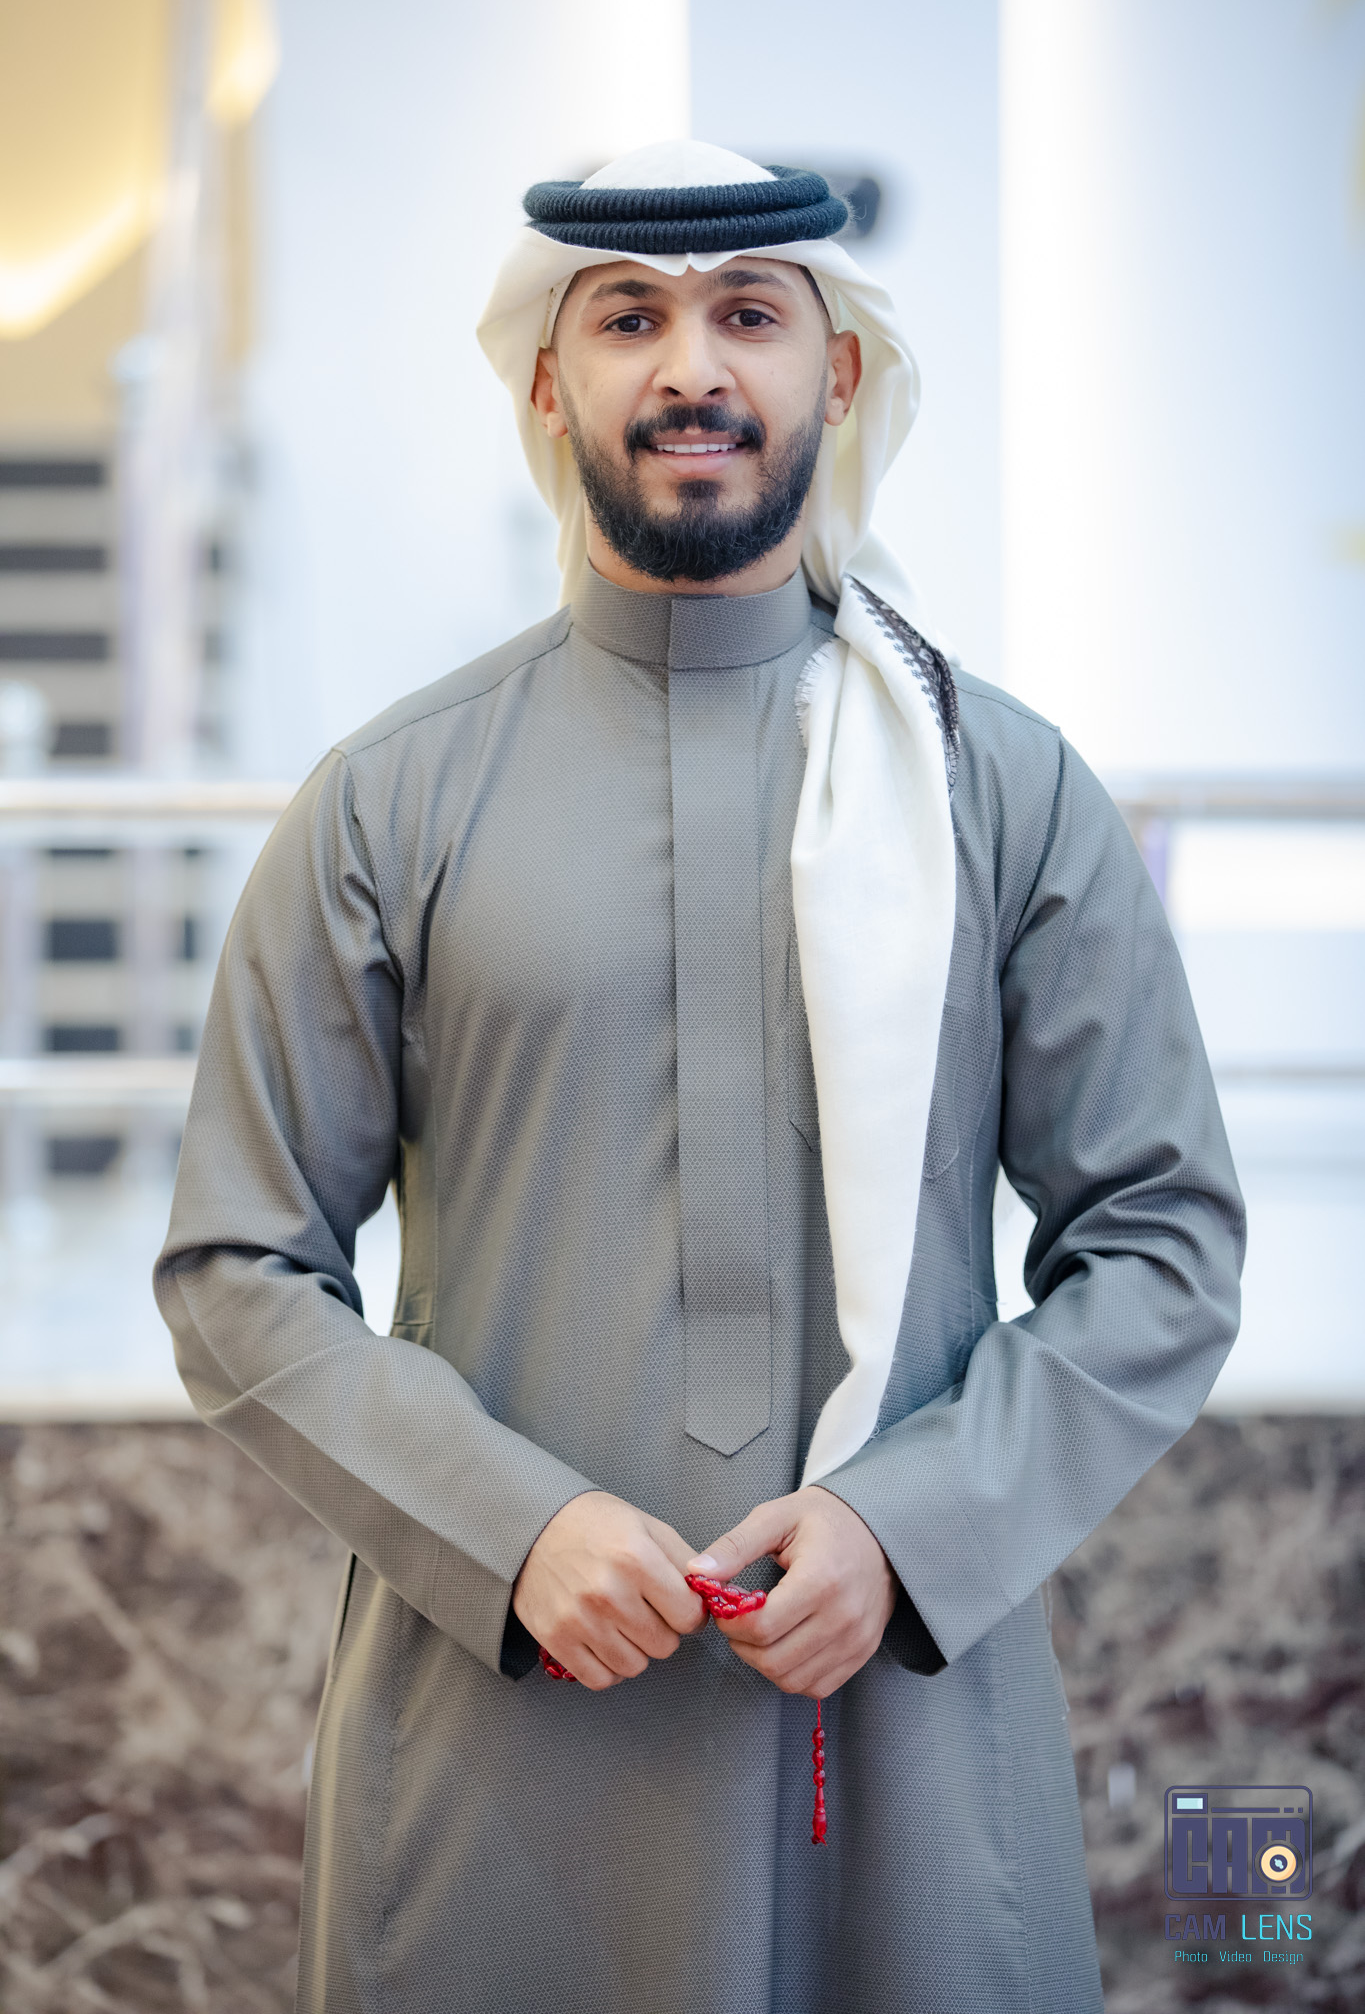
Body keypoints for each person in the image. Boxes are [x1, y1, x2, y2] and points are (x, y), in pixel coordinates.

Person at [155, 140, 1244, 2014]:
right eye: (626, 321)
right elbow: (236, 1269)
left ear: (838, 369)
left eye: (749, 314)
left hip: (899, 1721)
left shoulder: (998, 789)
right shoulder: (389, 801)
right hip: (498, 1736)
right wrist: (508, 1529)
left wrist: (911, 1528)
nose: (690, 370)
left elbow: (1160, 1242)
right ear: (544, 380)